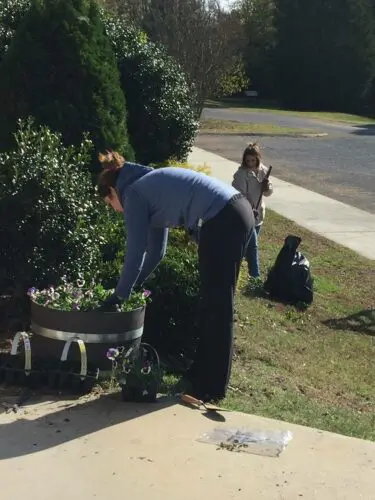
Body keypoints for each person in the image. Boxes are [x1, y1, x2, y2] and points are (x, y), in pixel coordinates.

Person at [96, 150, 255, 402]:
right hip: (234, 212)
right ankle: (199, 375)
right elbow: (156, 252)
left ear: (113, 192)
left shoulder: (134, 194)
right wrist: (134, 286)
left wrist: (118, 295)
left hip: (223, 219)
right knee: (211, 302)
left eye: (110, 204)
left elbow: (135, 252)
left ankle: (211, 389)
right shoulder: (147, 187)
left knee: (218, 307)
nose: (115, 210)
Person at [232, 143, 273, 279]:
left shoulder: (263, 171)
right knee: (253, 245)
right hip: (247, 214)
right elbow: (239, 194)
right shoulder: (241, 174)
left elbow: (268, 193)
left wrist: (266, 186)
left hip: (259, 214)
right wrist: (249, 207)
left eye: (253, 160)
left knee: (246, 247)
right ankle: (255, 276)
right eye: (248, 160)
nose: (250, 163)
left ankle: (236, 268)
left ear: (258, 159)